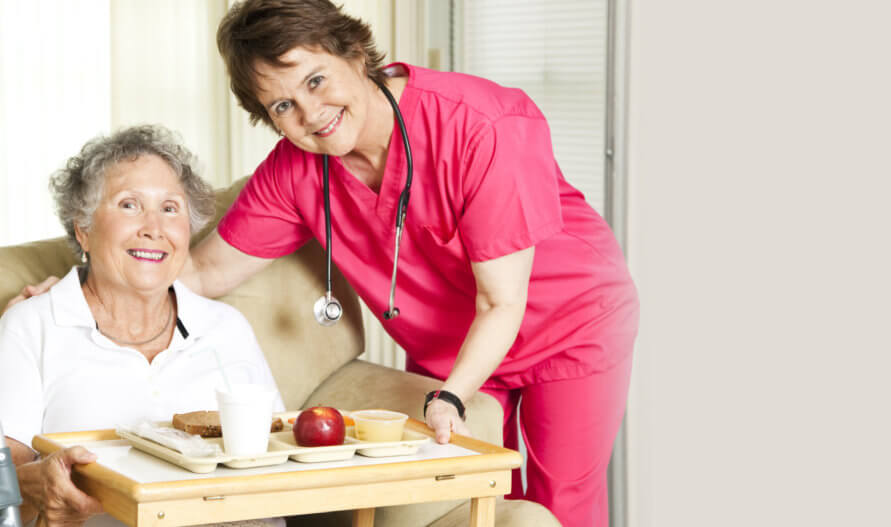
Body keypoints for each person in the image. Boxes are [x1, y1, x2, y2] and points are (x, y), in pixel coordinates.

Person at [8, 1, 640, 524]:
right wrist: (78, 285)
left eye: (315, 81)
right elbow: (195, 271)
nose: (310, 114)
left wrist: (449, 393)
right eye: (281, 106)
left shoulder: (483, 125)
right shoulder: (293, 172)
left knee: (558, 499)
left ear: (356, 56)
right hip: (448, 337)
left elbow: (503, 301)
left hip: (565, 320)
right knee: (466, 493)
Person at [0, 125, 285, 527]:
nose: (154, 227)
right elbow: (6, 478)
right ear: (84, 228)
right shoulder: (31, 325)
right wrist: (39, 482)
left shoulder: (227, 328)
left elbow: (279, 461)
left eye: (170, 208)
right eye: (129, 205)